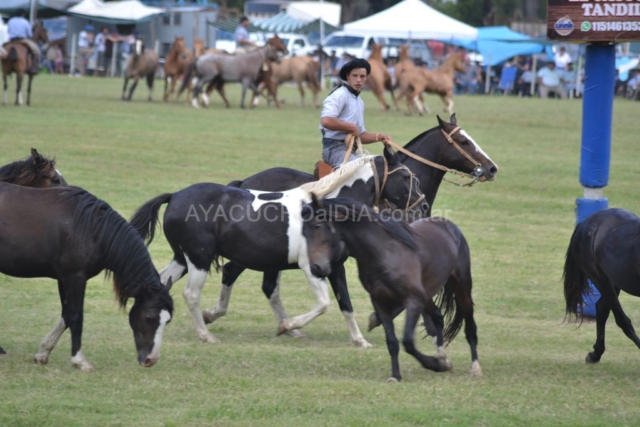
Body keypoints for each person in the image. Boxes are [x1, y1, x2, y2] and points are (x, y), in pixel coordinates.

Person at [320, 58, 392, 168]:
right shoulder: (339, 95)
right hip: (334, 149)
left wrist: (379, 137)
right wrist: (351, 127)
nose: (358, 80)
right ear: (348, 76)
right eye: (355, 76)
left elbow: (360, 135)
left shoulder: (359, 101)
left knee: (380, 165)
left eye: (362, 76)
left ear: (366, 78)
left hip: (350, 150)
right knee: (363, 169)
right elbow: (326, 121)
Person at [6, 9, 39, 74]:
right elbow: (29, 34)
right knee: (35, 51)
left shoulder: (11, 21)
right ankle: (33, 67)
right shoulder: (25, 21)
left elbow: (8, 31)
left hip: (12, 40)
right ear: (23, 14)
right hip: (22, 40)